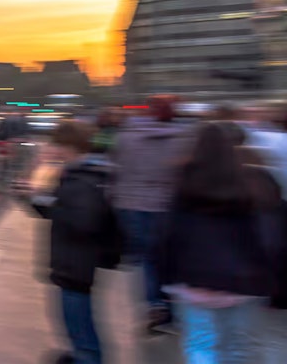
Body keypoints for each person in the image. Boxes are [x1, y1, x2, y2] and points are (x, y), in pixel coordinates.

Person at [156, 121, 280, 363]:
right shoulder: (253, 183)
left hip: (195, 280)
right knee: (238, 346)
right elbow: (267, 237)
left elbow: (167, 237)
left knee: (200, 343)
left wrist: (166, 279)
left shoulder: (183, 186)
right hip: (244, 279)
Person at [20, 120, 122, 364]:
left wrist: (50, 202)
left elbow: (84, 221)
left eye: (55, 144)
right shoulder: (80, 173)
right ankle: (78, 356)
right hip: (75, 263)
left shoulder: (83, 178)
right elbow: (58, 211)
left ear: (67, 146)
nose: (51, 149)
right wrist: (34, 198)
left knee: (81, 331)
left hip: (76, 265)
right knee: (76, 325)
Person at [110, 94, 193, 334]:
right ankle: (169, 304)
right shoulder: (183, 138)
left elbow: (117, 168)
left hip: (130, 204)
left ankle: (154, 304)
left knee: (146, 257)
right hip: (165, 205)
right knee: (167, 257)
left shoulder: (126, 136)